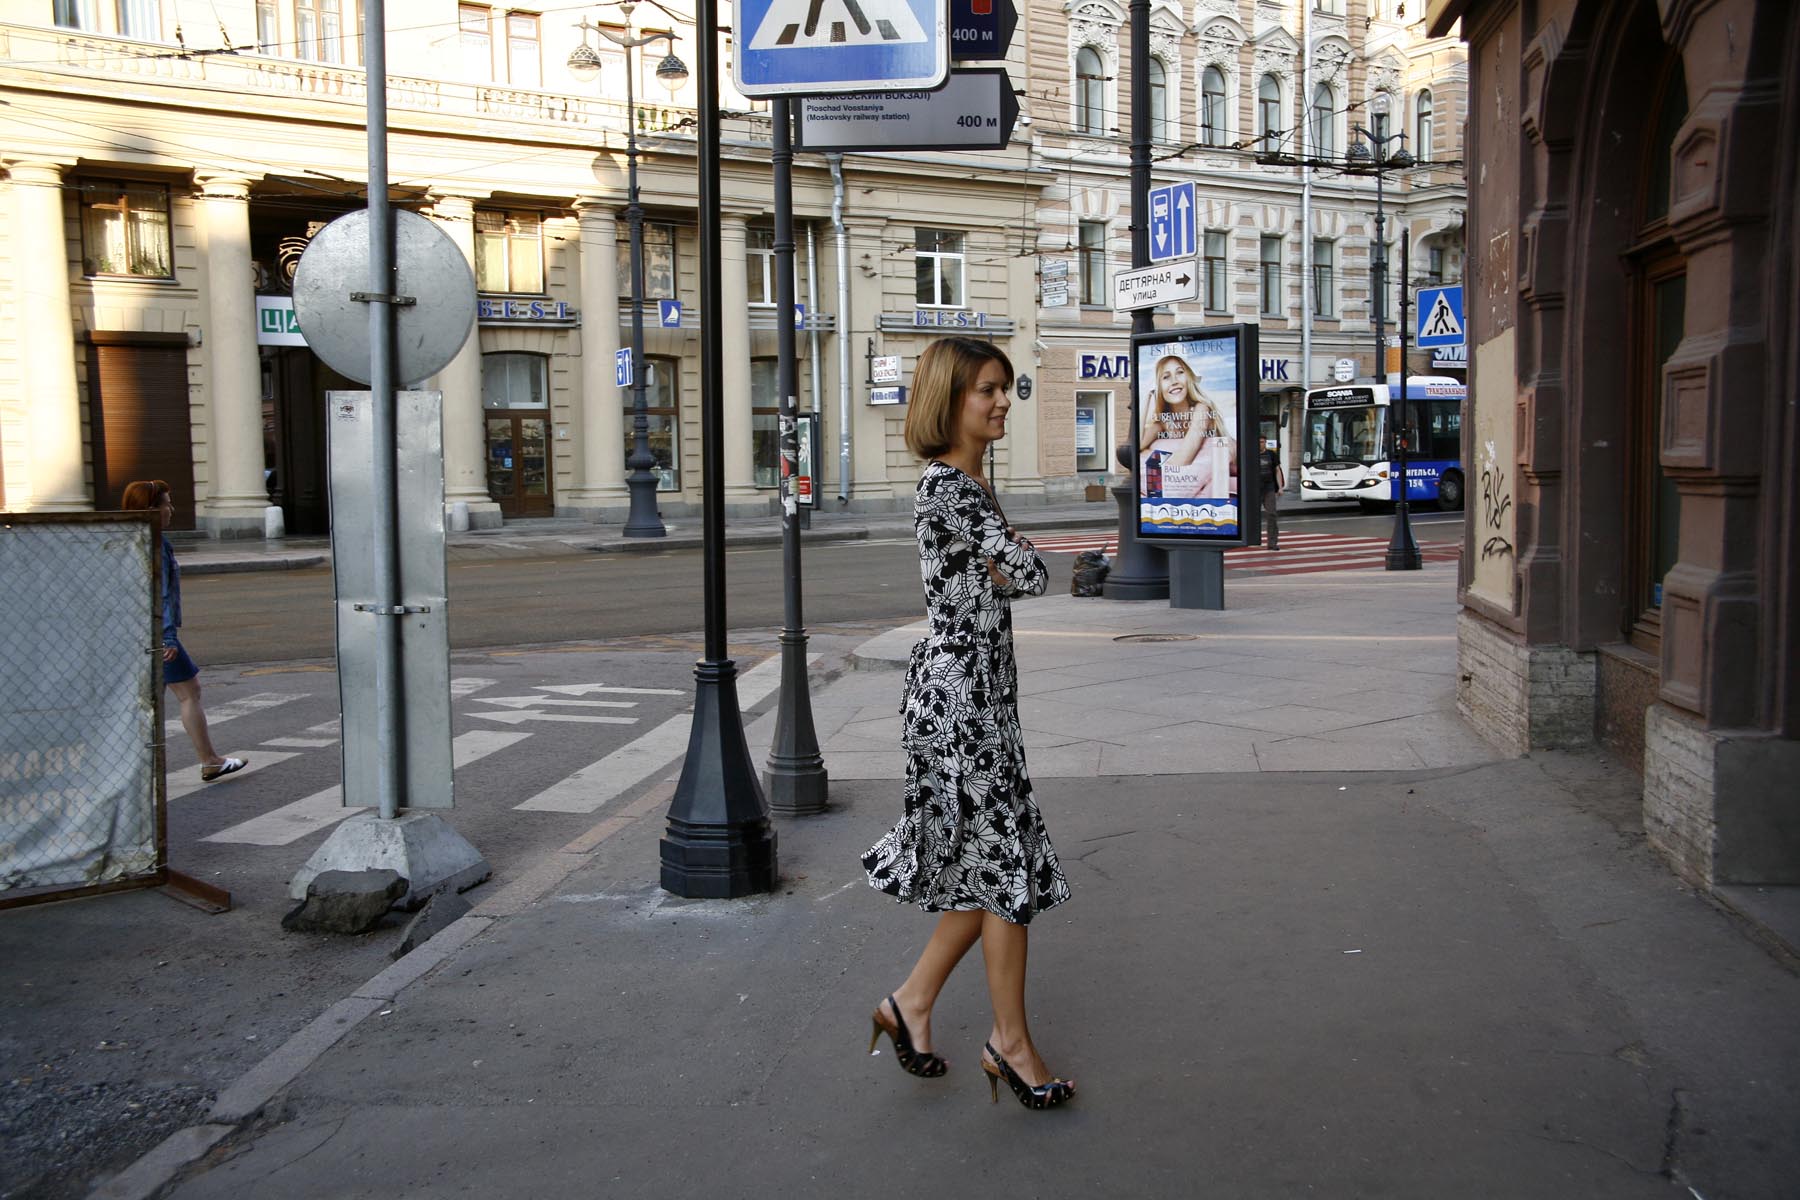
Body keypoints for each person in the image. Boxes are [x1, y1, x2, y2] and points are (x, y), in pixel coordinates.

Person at [861, 336, 1076, 1111]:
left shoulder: (970, 485)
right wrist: (1010, 555)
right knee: (1006, 867)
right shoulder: (951, 487)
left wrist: (1003, 557)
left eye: (1005, 388)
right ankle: (1009, 1045)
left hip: (976, 698)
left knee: (983, 868)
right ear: (950, 398)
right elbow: (1031, 574)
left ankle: (911, 1003)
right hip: (961, 708)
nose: (1001, 401)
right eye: (987, 388)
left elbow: (1007, 575)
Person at [120, 480, 247, 784]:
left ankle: (134, 769)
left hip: (134, 632)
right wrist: (167, 636)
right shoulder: (156, 544)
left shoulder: (128, 539)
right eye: (166, 504)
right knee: (188, 693)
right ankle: (209, 761)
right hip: (156, 634)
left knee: (148, 700)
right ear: (152, 509)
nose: (171, 509)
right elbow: (160, 593)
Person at [1138, 353, 1238, 498]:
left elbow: (1183, 459)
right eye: (1166, 377)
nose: (1174, 381)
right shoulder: (1164, 420)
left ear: (1189, 377)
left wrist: (1149, 455)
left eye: (1180, 373)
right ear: (1157, 386)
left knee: (1157, 449)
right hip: (1195, 480)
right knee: (1156, 447)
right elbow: (1136, 446)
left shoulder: (1202, 408)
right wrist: (1146, 397)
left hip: (1226, 465)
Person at [1260, 438, 1285, 550]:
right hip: (1254, 489)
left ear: (1265, 443)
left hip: (1269, 488)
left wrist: (1280, 488)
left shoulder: (1271, 454)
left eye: (1262, 442)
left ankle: (1272, 542)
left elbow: (1277, 470)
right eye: (1258, 442)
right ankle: (1249, 539)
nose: (1260, 444)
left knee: (1271, 514)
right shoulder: (1250, 454)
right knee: (1250, 516)